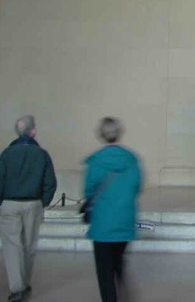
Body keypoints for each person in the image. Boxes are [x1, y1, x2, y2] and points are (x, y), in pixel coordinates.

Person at [0, 115, 57, 302]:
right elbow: (50, 182)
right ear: (33, 131)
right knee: (29, 246)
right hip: (34, 203)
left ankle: (16, 287)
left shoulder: (6, 154)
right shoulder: (42, 154)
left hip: (9, 204)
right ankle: (25, 282)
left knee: (12, 247)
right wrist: (42, 201)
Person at [83, 117, 142, 302]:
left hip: (102, 224)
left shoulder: (96, 161)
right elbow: (137, 187)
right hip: (124, 220)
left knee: (104, 271)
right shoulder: (131, 160)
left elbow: (89, 190)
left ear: (101, 135)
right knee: (118, 264)